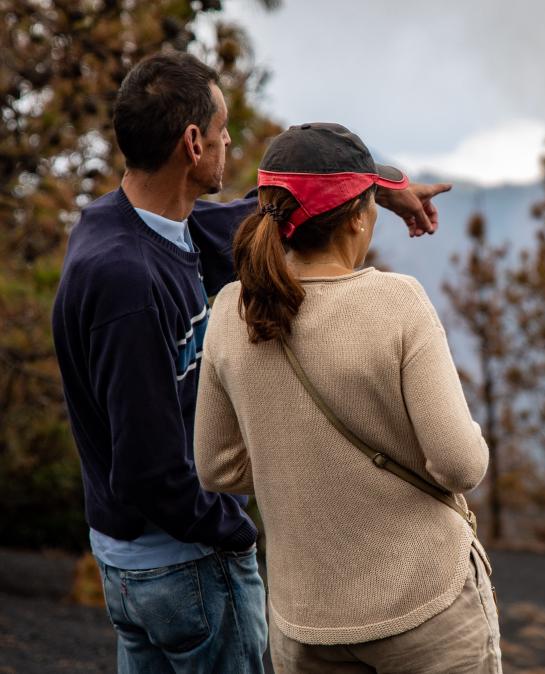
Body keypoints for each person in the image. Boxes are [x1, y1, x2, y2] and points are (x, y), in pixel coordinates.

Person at [51, 51, 449, 673]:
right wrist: (239, 535)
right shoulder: (125, 280)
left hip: (140, 562)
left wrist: (386, 188)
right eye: (222, 129)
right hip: (182, 563)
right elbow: (147, 470)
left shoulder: (152, 227)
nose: (230, 140)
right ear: (191, 142)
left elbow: (270, 213)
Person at [193, 122, 501, 673]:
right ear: (360, 215)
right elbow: (461, 464)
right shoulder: (398, 303)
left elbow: (216, 467)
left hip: (304, 622)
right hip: (425, 605)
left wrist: (298, 460)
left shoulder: (230, 310)